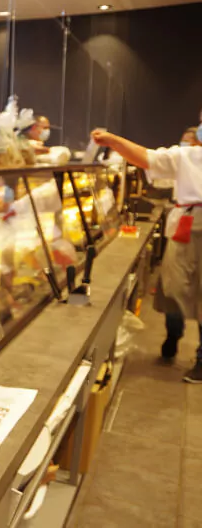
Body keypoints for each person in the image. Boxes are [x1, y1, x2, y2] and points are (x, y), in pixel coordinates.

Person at [92, 117, 202, 383]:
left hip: (190, 223)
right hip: (189, 224)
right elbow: (147, 158)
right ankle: (174, 334)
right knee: (174, 286)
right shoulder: (188, 156)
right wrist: (113, 141)